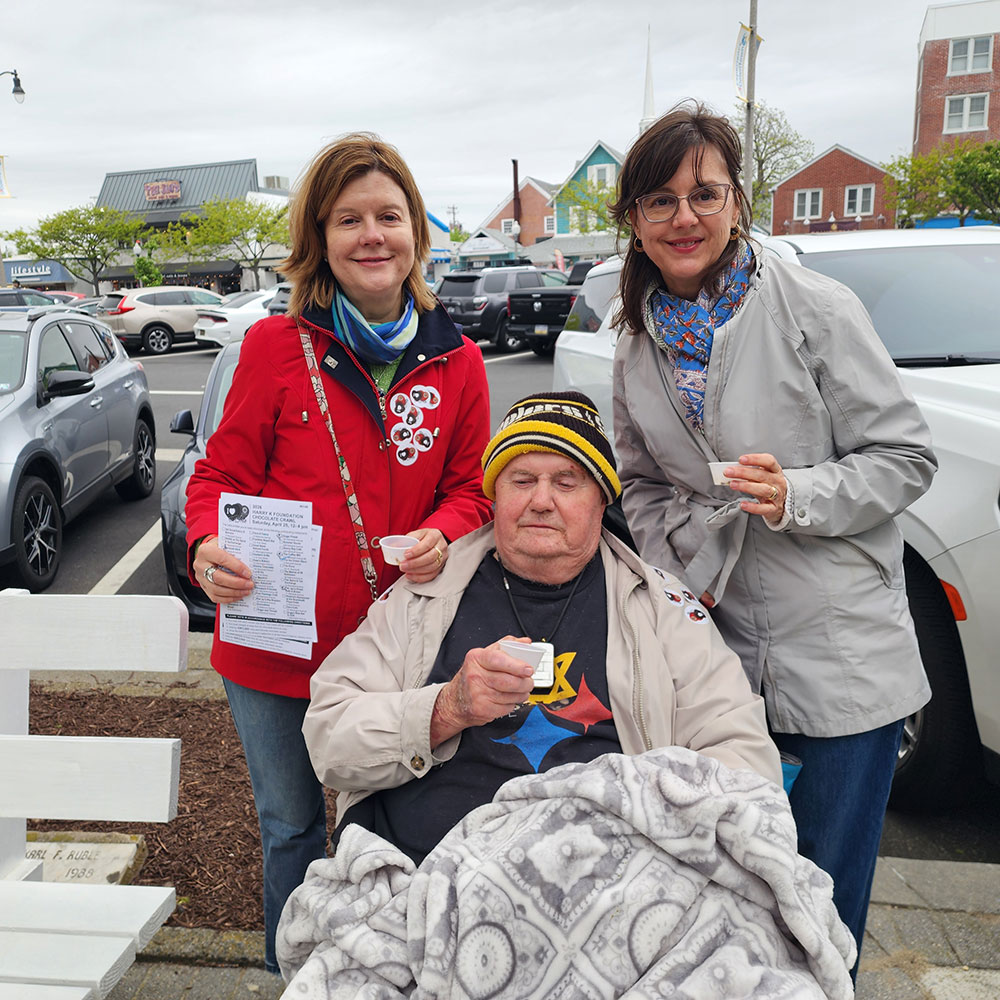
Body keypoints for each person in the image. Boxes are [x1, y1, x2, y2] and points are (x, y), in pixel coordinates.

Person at [608, 102, 936, 973]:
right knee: (734, 900)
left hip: (839, 660)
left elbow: (905, 458)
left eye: (705, 194)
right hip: (715, 663)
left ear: (737, 201)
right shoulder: (635, 339)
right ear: (634, 220)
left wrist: (798, 494)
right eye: (660, 200)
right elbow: (639, 480)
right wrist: (679, 566)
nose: (684, 217)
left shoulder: (813, 306)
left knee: (823, 911)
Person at [184, 132, 494, 973]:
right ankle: (294, 977)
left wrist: (444, 531)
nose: (371, 235)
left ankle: (388, 975)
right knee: (291, 827)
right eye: (348, 219)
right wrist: (207, 542)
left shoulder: (459, 362)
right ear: (319, 238)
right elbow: (218, 474)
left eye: (388, 216)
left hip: (398, 644)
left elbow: (472, 488)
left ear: (416, 230)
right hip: (274, 642)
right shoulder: (273, 348)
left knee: (392, 826)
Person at [302, 390, 782, 867]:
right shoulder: (422, 597)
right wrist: (445, 709)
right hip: (426, 869)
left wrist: (644, 828)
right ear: (494, 496)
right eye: (522, 480)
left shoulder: (663, 608)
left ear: (602, 501)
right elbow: (327, 736)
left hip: (610, 877)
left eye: (567, 482)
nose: (541, 501)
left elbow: (743, 757)